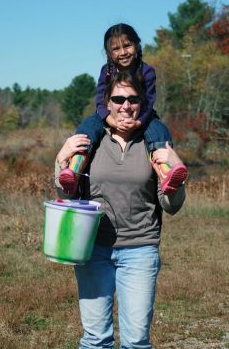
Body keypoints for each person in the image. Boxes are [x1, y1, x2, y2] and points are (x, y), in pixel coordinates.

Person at [55, 71, 187, 349]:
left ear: (142, 102)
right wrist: (60, 159)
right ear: (107, 102)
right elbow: (65, 193)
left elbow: (171, 206)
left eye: (132, 99)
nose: (125, 105)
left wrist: (176, 174)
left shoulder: (154, 142)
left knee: (136, 340)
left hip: (140, 250)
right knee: (95, 340)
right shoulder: (91, 140)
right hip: (92, 248)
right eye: (118, 98)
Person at [58, 23, 187, 196]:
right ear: (109, 53)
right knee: (86, 128)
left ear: (137, 45)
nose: (123, 52)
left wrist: (137, 123)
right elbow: (100, 101)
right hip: (107, 114)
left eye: (127, 45)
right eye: (116, 49)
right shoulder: (107, 71)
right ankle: (74, 172)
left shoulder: (146, 71)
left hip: (143, 116)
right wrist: (111, 120)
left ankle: (167, 175)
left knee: (159, 131)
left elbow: (149, 102)